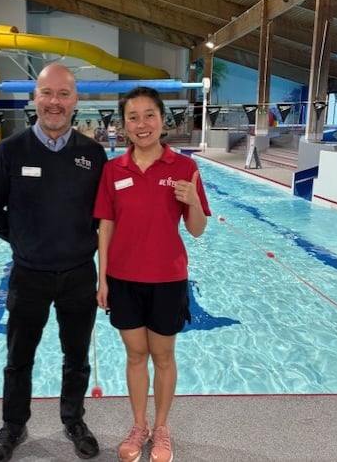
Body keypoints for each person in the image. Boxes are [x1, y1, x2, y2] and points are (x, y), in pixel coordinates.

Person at [0, 63, 108, 462]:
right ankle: (13, 426)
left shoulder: (93, 154)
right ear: (35, 98)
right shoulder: (9, 151)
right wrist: (25, 243)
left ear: (76, 101)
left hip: (78, 275)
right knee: (19, 358)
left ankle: (73, 420)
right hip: (28, 275)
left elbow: (103, 216)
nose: (55, 102)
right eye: (47, 93)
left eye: (64, 94)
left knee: (77, 357)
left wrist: (81, 245)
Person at [94, 86, 211, 462]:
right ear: (124, 124)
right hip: (125, 279)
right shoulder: (114, 170)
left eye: (149, 115)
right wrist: (103, 277)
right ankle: (139, 425)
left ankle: (161, 429)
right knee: (135, 354)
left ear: (162, 120)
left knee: (163, 355)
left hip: (167, 277)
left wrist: (193, 202)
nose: (141, 124)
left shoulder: (184, 168)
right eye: (133, 117)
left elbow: (196, 230)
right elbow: (106, 225)